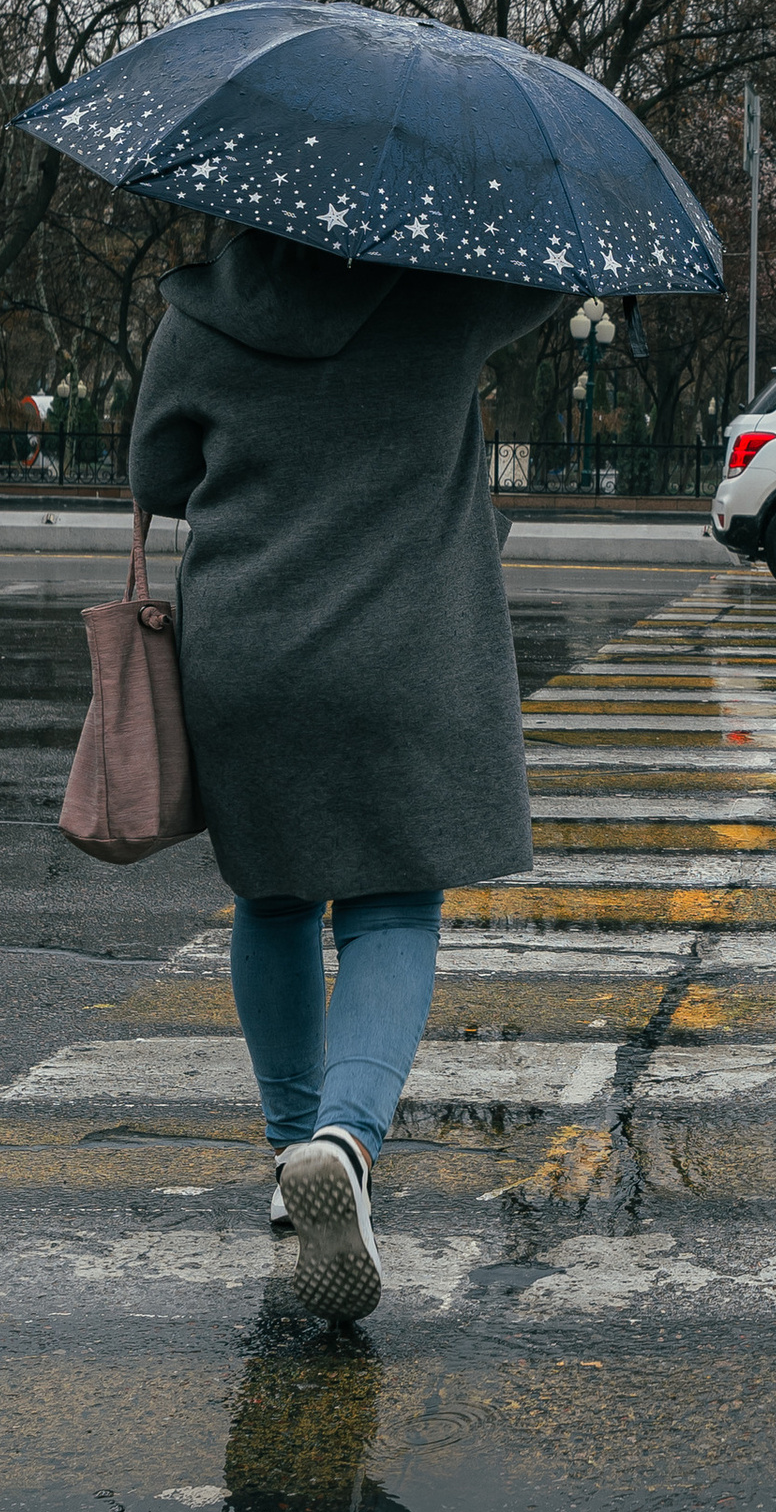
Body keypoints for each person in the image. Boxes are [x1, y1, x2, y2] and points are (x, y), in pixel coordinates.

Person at [129, 227, 563, 1325]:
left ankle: (289, 1151)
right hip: (405, 650)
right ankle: (344, 1138)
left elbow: (159, 476)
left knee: (270, 896)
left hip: (247, 645)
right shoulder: (443, 301)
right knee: (391, 908)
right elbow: (551, 280)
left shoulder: (199, 315)